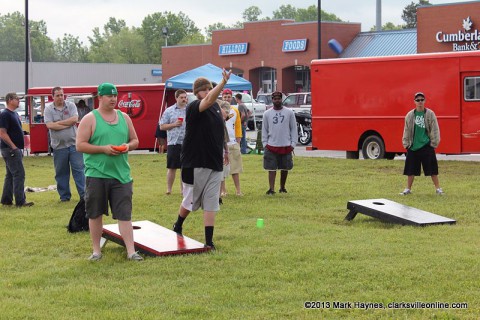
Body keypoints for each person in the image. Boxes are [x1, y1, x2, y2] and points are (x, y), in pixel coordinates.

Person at [76, 82, 143, 261]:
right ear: (100, 97)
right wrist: (103, 149)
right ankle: (96, 251)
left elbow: (135, 140)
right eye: (109, 96)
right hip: (96, 174)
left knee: (124, 214)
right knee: (95, 213)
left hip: (121, 175)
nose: (113, 99)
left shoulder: (124, 117)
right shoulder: (90, 118)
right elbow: (80, 145)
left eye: (115, 95)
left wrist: (127, 146)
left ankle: (131, 251)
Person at [172, 69, 232, 250]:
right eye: (204, 89)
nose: (208, 92)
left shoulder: (216, 108)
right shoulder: (193, 106)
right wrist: (222, 83)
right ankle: (178, 224)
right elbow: (208, 100)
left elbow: (220, 130)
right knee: (190, 201)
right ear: (196, 92)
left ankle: (209, 241)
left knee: (211, 202)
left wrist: (225, 150)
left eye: (209, 89)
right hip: (195, 161)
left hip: (214, 160)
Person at [44, 87, 85, 202]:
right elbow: (50, 126)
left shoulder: (71, 105)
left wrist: (58, 123)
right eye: (57, 95)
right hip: (59, 147)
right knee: (61, 172)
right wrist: (68, 123)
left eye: (62, 95)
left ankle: (84, 195)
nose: (60, 97)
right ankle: (65, 197)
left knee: (79, 171)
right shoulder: (48, 109)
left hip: (74, 145)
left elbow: (75, 119)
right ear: (53, 97)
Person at [400, 92, 444, 195]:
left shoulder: (430, 114)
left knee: (432, 169)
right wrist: (406, 144)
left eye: (422, 100)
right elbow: (406, 130)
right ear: (414, 102)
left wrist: (433, 143)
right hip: (413, 146)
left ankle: (438, 189)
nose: (420, 102)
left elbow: (435, 129)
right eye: (418, 100)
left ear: (424, 101)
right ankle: (408, 189)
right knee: (410, 170)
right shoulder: (410, 115)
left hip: (426, 145)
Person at [0, 93, 34, 207]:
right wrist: (13, 146)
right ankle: (20, 201)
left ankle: (6, 200)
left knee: (10, 175)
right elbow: (2, 133)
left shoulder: (13, 114)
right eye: (17, 99)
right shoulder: (5, 114)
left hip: (13, 149)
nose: (19, 101)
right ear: (10, 100)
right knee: (19, 174)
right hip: (11, 150)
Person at [262, 91, 298, 195]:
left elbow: (293, 129)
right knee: (271, 168)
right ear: (272, 100)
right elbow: (264, 129)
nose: (277, 100)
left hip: (286, 145)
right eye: (275, 99)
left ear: (281, 99)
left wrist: (293, 143)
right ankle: (271, 189)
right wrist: (265, 143)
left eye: (279, 98)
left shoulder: (289, 112)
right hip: (271, 145)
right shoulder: (267, 114)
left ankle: (282, 187)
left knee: (284, 167)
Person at [159, 89, 188, 195]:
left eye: (185, 97)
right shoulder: (169, 110)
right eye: (182, 97)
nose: (184, 99)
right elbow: (162, 126)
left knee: (184, 167)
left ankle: (183, 190)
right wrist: (174, 124)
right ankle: (169, 189)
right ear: (176, 98)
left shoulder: (189, 110)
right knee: (172, 167)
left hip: (187, 142)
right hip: (173, 142)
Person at [221, 90, 243, 196]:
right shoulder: (217, 109)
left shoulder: (235, 110)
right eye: (225, 97)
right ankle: (223, 190)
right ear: (222, 97)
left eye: (229, 97)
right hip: (221, 142)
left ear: (232, 98)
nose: (227, 98)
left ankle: (238, 190)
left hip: (233, 142)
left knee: (235, 168)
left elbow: (238, 126)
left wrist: (238, 140)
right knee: (222, 169)